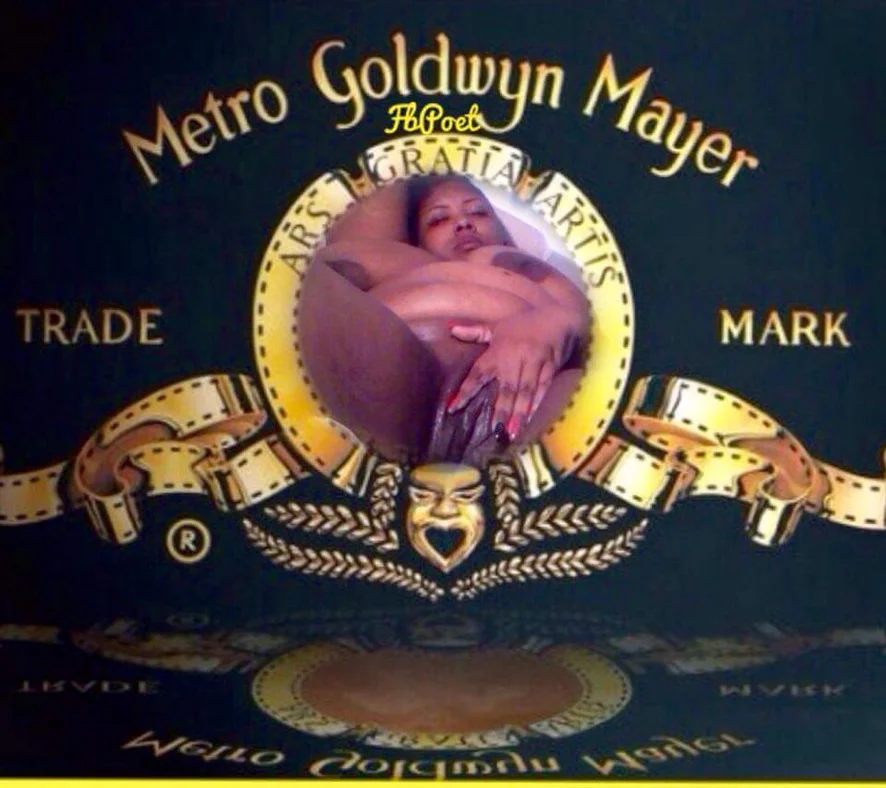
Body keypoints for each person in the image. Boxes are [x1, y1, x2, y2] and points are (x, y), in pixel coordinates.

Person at [300, 174, 590, 465]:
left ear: (504, 234)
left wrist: (553, 323)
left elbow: (593, 331)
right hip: (389, 375)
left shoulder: (513, 260)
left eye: (478, 211)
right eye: (438, 219)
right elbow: (323, 279)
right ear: (419, 241)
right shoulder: (401, 261)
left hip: (524, 396)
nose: (463, 222)